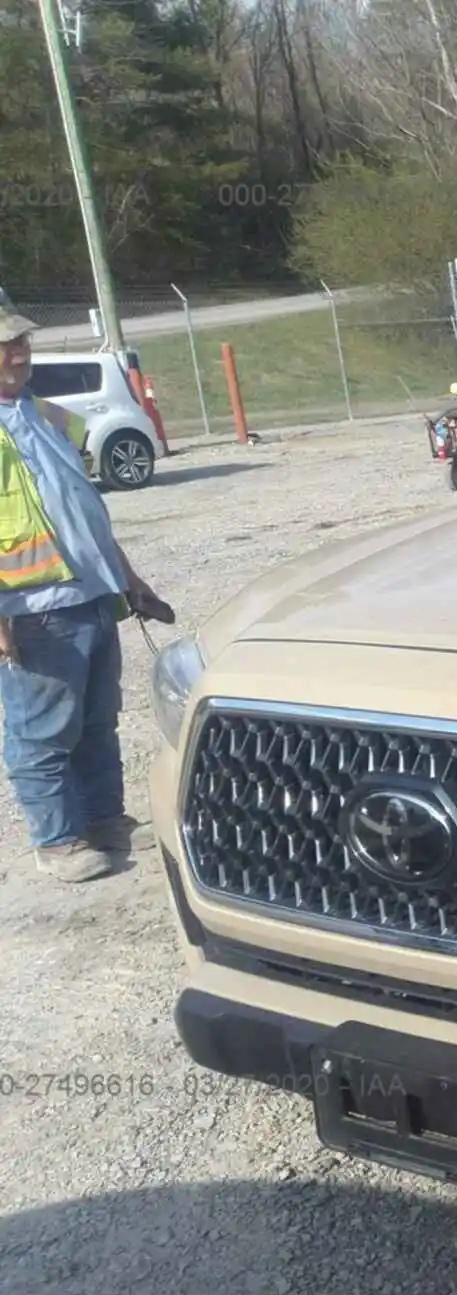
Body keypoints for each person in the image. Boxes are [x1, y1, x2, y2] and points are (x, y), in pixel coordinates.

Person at [0, 289, 172, 882]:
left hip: (94, 598)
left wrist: (128, 579)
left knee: (98, 720)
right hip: (32, 611)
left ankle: (104, 820)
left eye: (20, 341)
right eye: (4, 346)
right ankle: (57, 841)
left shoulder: (43, 415)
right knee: (41, 730)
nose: (18, 354)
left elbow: (83, 508)